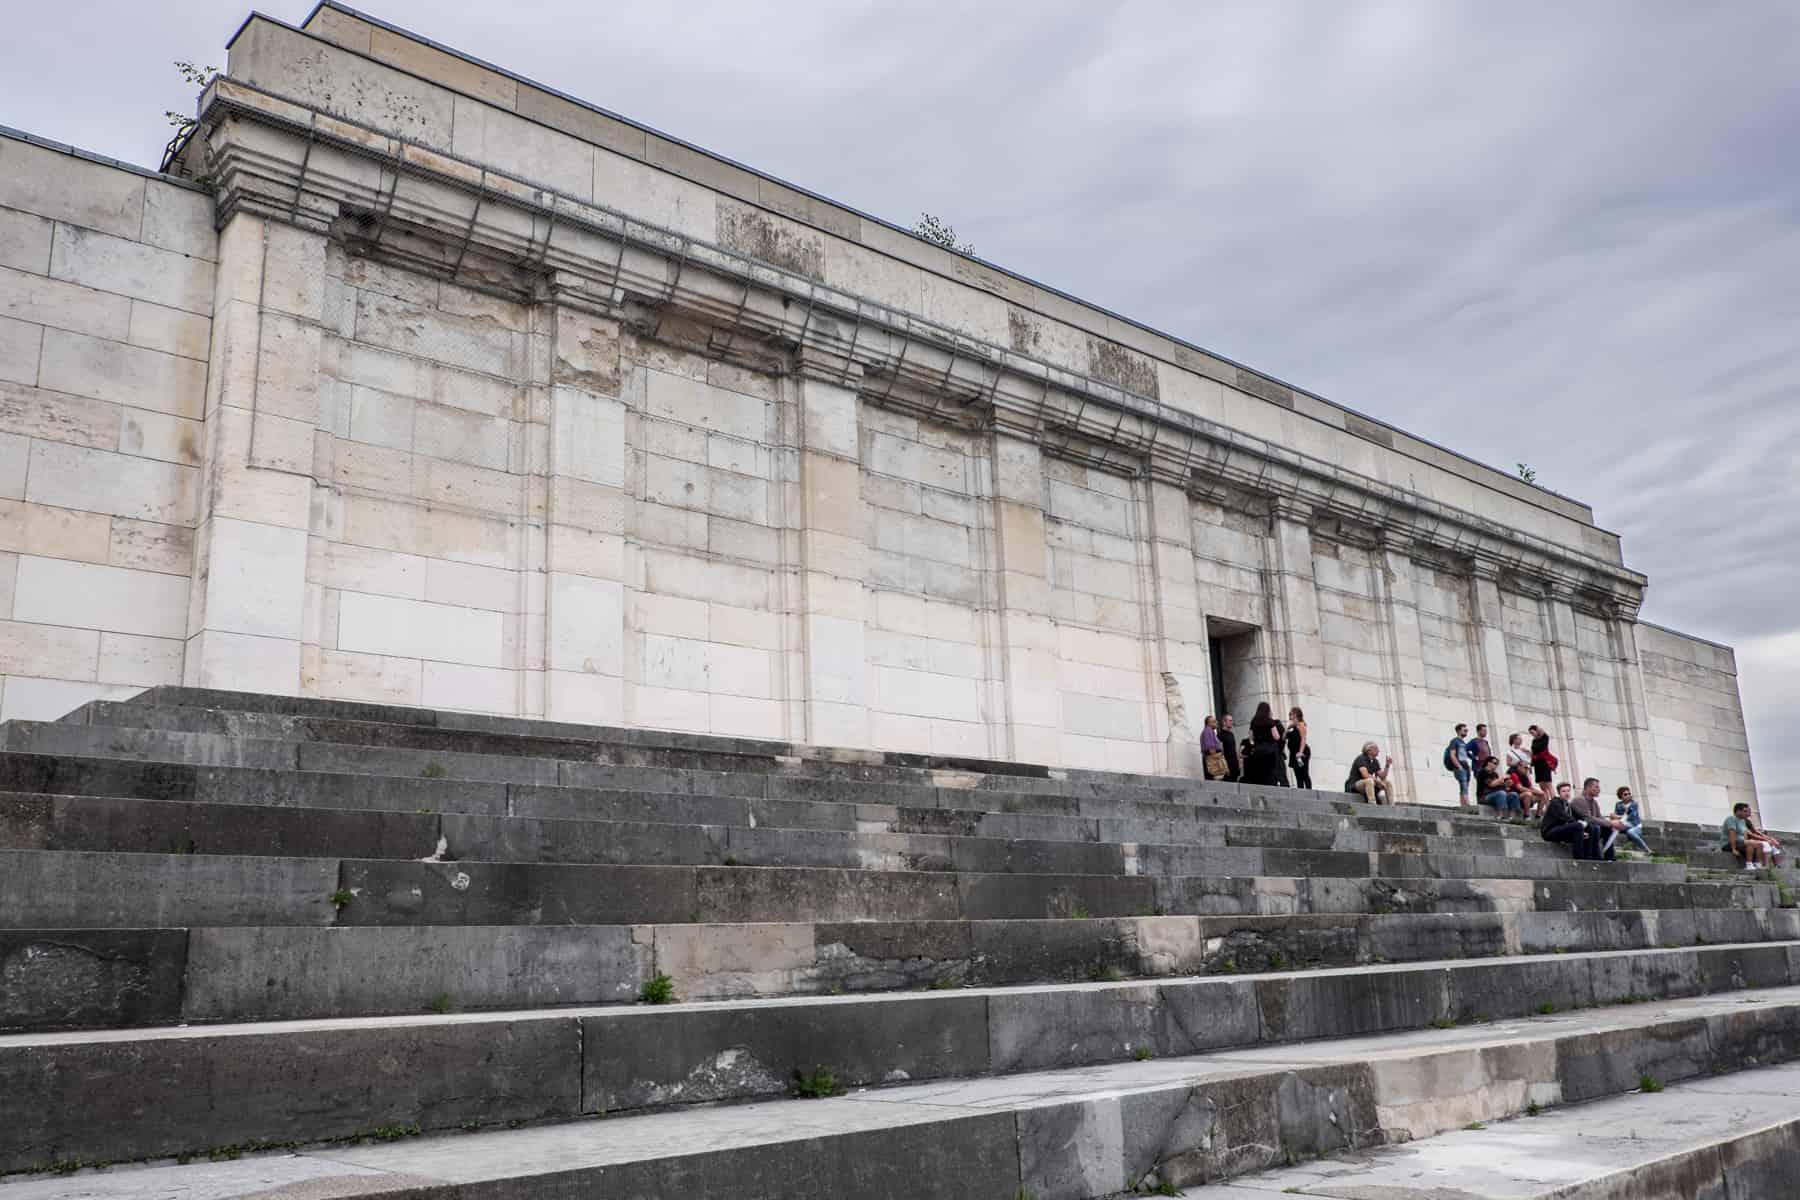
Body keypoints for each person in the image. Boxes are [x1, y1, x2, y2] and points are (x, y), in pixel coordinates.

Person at [1541, 781, 1603, 860]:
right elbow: (1565, 816)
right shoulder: (1555, 803)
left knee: (1592, 828)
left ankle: (1592, 856)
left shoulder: (1568, 805)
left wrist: (1586, 824)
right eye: (1563, 791)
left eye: (1568, 791)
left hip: (1562, 831)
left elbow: (1580, 817)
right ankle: (1579, 857)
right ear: (1559, 793)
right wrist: (1580, 825)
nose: (1566, 793)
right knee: (1578, 825)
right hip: (1550, 832)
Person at [1572, 777, 1625, 860]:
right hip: (1581, 829)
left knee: (1608, 829)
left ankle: (1609, 856)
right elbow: (1589, 819)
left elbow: (1600, 817)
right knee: (1596, 827)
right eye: (1596, 787)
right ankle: (1593, 856)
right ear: (1588, 787)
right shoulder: (1579, 800)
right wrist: (1611, 823)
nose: (1599, 789)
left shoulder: (1594, 802)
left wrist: (1612, 824)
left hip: (1591, 828)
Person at [1244, 702, 1289, 787]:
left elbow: (1250, 737)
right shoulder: (1270, 721)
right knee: (1272, 772)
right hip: (1270, 750)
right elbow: (1276, 737)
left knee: (1261, 772)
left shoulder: (1254, 721)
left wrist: (1254, 744)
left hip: (1258, 750)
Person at [1722, 802, 1768, 869]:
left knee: (1760, 844)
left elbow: (1745, 833)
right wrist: (1733, 849)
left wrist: (1748, 841)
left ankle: (1757, 863)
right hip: (1728, 843)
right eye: (1744, 811)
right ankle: (1749, 864)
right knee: (1751, 843)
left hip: (1741, 842)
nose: (1746, 813)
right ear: (1738, 811)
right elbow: (1732, 833)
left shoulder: (1742, 821)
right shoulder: (1731, 819)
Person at [1613, 786, 1650, 854]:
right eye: (1625, 794)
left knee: (1630, 832)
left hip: (1635, 825)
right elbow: (1615, 816)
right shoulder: (1618, 804)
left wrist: (1617, 817)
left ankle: (1647, 850)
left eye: (1629, 793)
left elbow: (1631, 817)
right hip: (1624, 825)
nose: (1628, 795)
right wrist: (1615, 816)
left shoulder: (1634, 804)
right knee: (1614, 826)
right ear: (1621, 796)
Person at [1444, 723, 1474, 807]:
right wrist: (1458, 766)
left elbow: (1467, 754)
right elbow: (1452, 754)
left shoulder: (1463, 743)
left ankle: (1463, 805)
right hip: (1460, 767)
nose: (1466, 732)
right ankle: (1467, 804)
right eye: (1465, 730)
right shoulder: (1454, 741)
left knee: (1465, 786)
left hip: (1465, 766)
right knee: (1463, 784)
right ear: (1458, 731)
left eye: (1467, 730)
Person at [1287, 706, 1312, 789]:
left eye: (1291, 713)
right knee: (1298, 777)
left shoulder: (1301, 725)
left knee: (1304, 774)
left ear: (1296, 715)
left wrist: (1300, 752)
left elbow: (1303, 739)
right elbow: (1284, 737)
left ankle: (1309, 792)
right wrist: (1287, 729)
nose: (1289, 715)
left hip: (1302, 753)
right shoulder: (1292, 726)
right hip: (1294, 754)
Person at [1529, 724, 1559, 793]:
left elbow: (1542, 731)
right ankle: (1547, 801)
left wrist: (1537, 728)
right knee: (1541, 784)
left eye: (1533, 732)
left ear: (1537, 731)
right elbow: (1533, 753)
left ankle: (1553, 800)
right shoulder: (1534, 741)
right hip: (1537, 764)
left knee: (1548, 783)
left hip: (1544, 762)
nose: (1532, 734)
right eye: (1531, 733)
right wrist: (1531, 764)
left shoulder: (1544, 737)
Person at [1200, 716, 1228, 781]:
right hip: (1212, 762)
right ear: (1208, 723)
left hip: (1211, 761)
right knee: (1215, 781)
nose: (1217, 722)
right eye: (1214, 721)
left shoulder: (1210, 731)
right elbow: (1211, 749)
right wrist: (1219, 765)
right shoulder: (1208, 731)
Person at [1219, 714, 1241, 783]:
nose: (1232, 722)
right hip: (1226, 765)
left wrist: (1238, 762)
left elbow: (1234, 749)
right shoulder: (1220, 735)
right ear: (1224, 722)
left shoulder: (1231, 734)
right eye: (1230, 721)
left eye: (1232, 721)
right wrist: (1224, 767)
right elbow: (1220, 752)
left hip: (1234, 764)